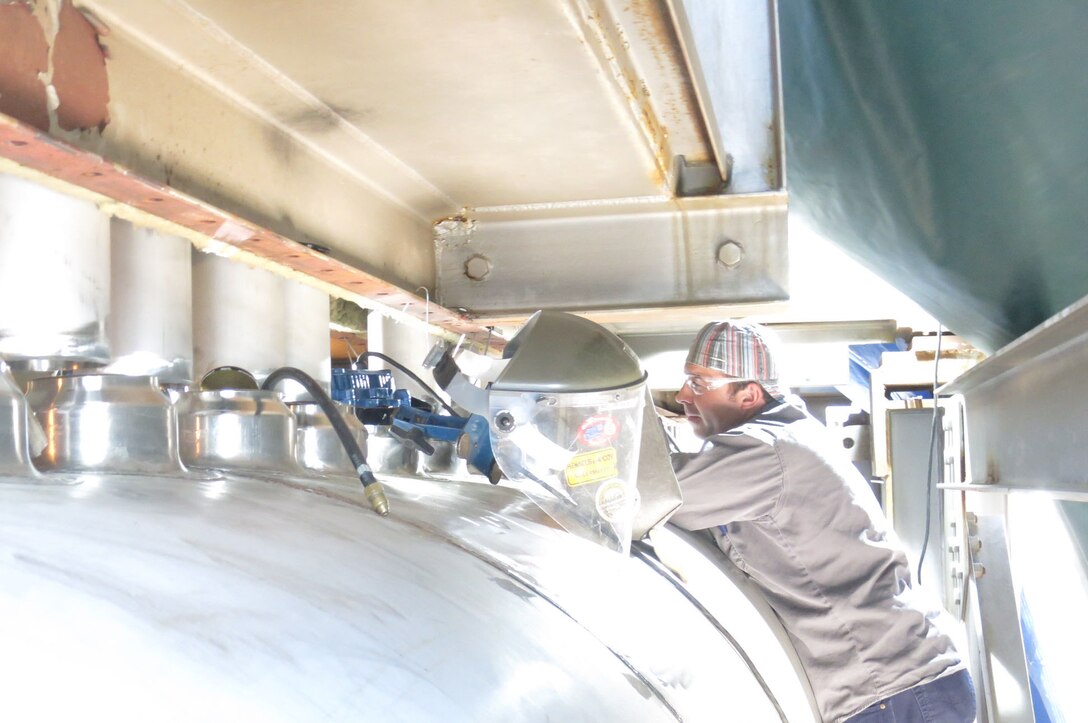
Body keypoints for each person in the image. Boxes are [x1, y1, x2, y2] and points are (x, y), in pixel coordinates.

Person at [669, 320, 975, 723]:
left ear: (749, 394)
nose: (682, 395)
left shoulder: (769, 451)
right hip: (902, 686)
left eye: (699, 383)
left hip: (893, 692)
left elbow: (654, 495)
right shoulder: (780, 440)